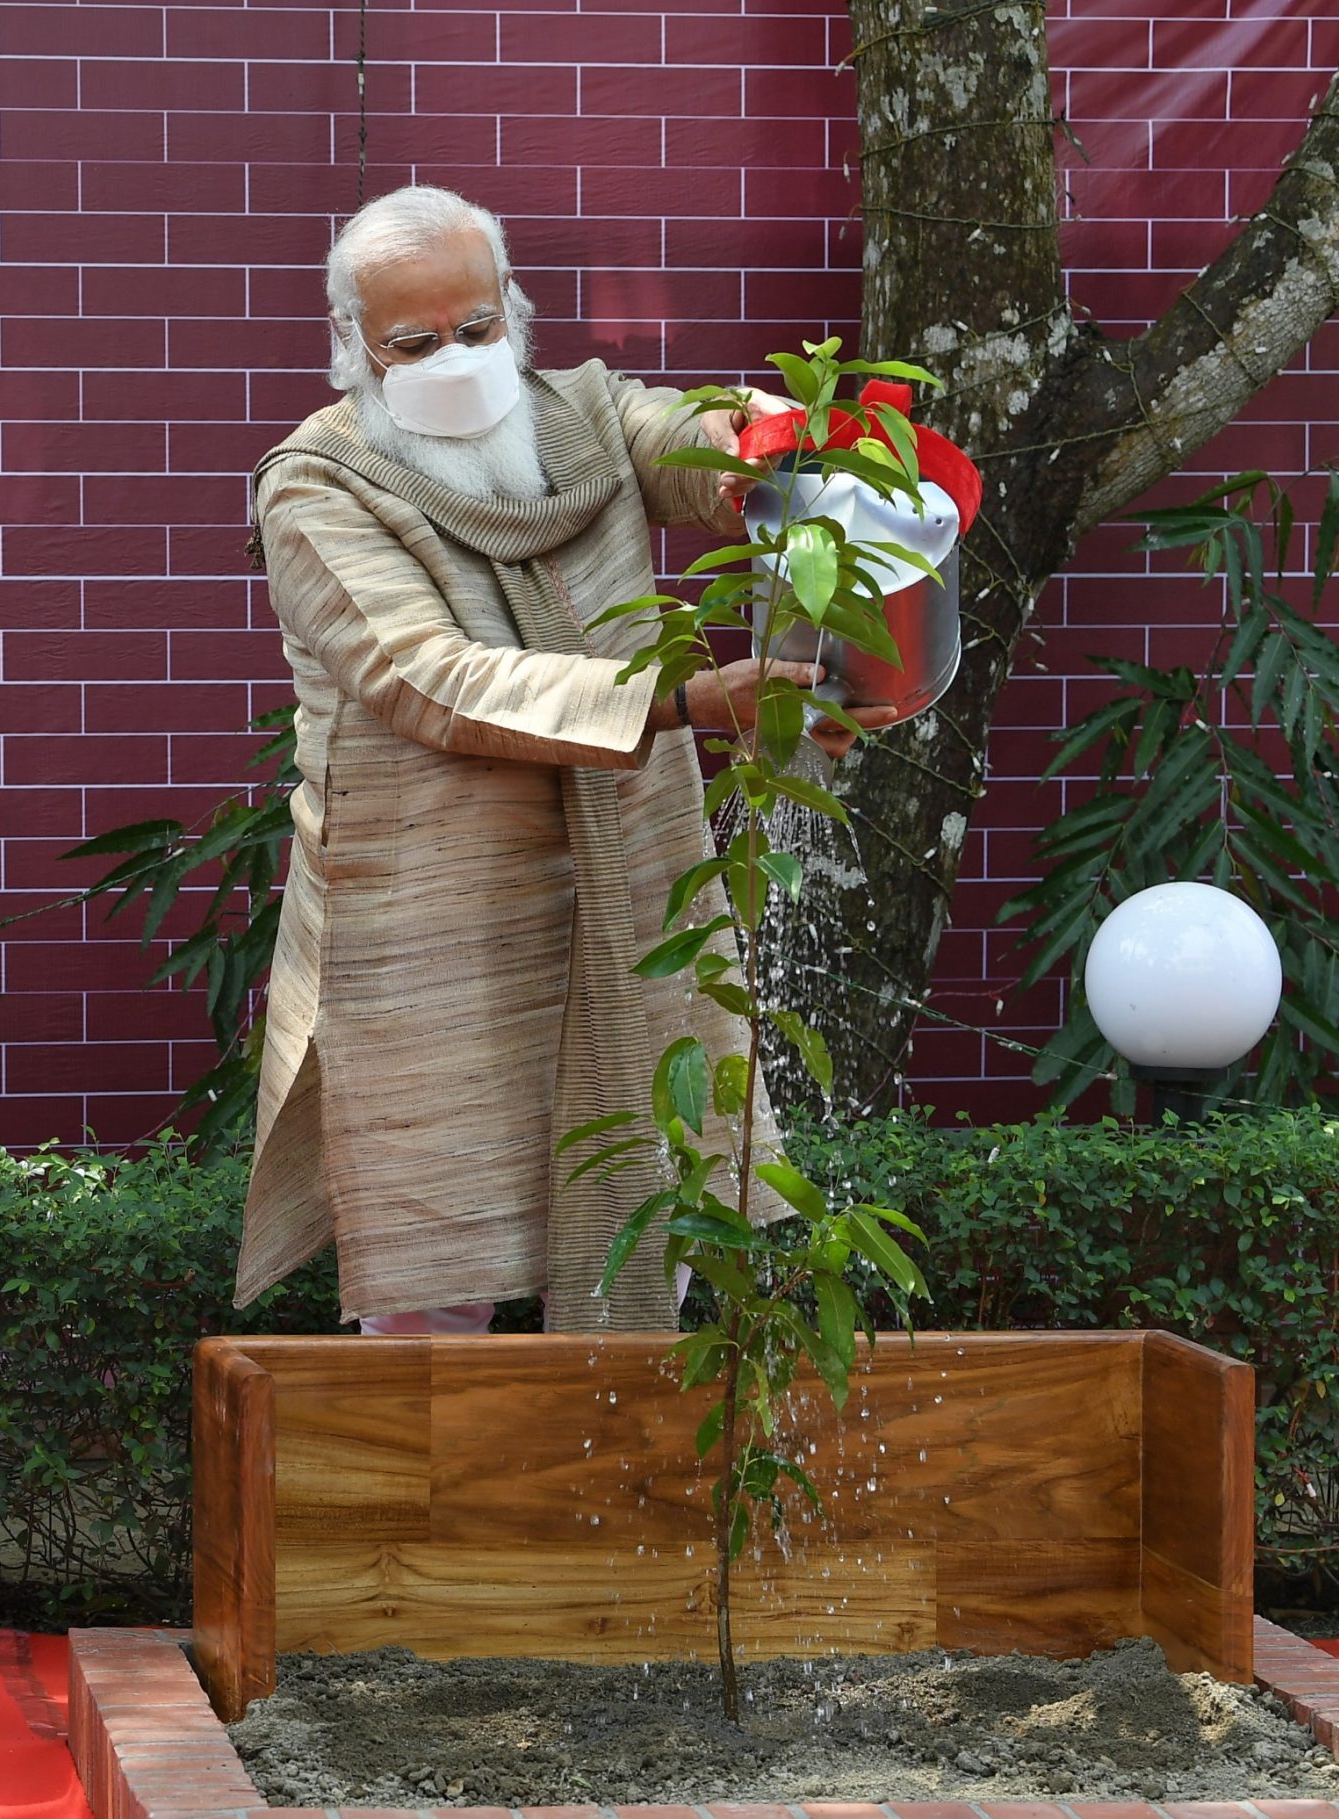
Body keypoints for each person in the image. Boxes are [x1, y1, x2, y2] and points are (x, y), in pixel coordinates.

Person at [235, 186, 898, 1337]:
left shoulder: (588, 416)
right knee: (439, 1254)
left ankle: (614, 1490)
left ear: (515, 312)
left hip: (630, 882)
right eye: (415, 340)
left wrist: (778, 444)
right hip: (433, 921)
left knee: (660, 1198)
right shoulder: (315, 485)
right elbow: (427, 677)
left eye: (477, 325)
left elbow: (694, 444)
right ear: (354, 347)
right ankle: (441, 1511)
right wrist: (687, 701)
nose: (456, 355)